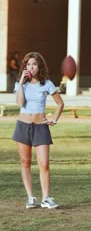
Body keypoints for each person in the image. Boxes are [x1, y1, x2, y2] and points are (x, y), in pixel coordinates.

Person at [12, 52, 64, 209]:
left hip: (40, 127)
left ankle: (46, 198)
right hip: (23, 125)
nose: (31, 67)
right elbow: (20, 103)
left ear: (39, 66)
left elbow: (60, 104)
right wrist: (21, 81)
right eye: (28, 64)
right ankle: (30, 197)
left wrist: (54, 119)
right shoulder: (20, 84)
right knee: (25, 162)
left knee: (44, 163)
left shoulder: (47, 84)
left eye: (34, 64)